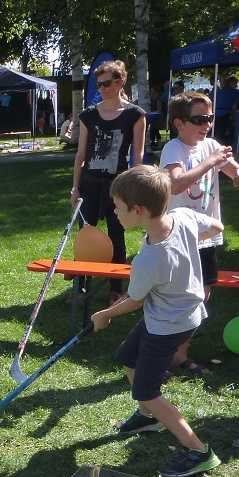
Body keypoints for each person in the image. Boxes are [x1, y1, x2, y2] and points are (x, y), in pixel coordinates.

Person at [91, 165, 224, 477]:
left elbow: (134, 300)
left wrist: (103, 315)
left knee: (147, 389)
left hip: (169, 325)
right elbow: (216, 226)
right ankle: (147, 417)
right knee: (126, 357)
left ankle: (197, 450)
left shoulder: (150, 258)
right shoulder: (185, 217)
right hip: (174, 315)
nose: (115, 212)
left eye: (118, 207)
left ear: (138, 210)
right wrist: (191, 241)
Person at [161, 91, 239, 377]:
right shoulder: (173, 149)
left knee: (200, 297)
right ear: (179, 123)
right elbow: (175, 185)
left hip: (206, 237)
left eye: (210, 118)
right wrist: (211, 162)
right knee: (173, 299)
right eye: (199, 119)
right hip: (178, 238)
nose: (207, 124)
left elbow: (234, 172)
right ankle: (159, 354)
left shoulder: (210, 145)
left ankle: (180, 355)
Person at [71, 59, 147, 305]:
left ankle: (115, 289)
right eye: (98, 84)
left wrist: (134, 191)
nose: (101, 88)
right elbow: (81, 155)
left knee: (117, 235)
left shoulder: (135, 115)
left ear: (120, 82)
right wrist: (75, 188)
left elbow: (138, 156)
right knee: (85, 234)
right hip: (90, 183)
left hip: (119, 185)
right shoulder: (88, 115)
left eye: (106, 83)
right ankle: (79, 288)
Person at [213, 76, 239, 145]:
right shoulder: (233, 92)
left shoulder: (220, 91)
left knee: (216, 133)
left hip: (215, 113)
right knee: (223, 134)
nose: (236, 85)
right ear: (231, 83)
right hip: (225, 114)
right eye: (235, 83)